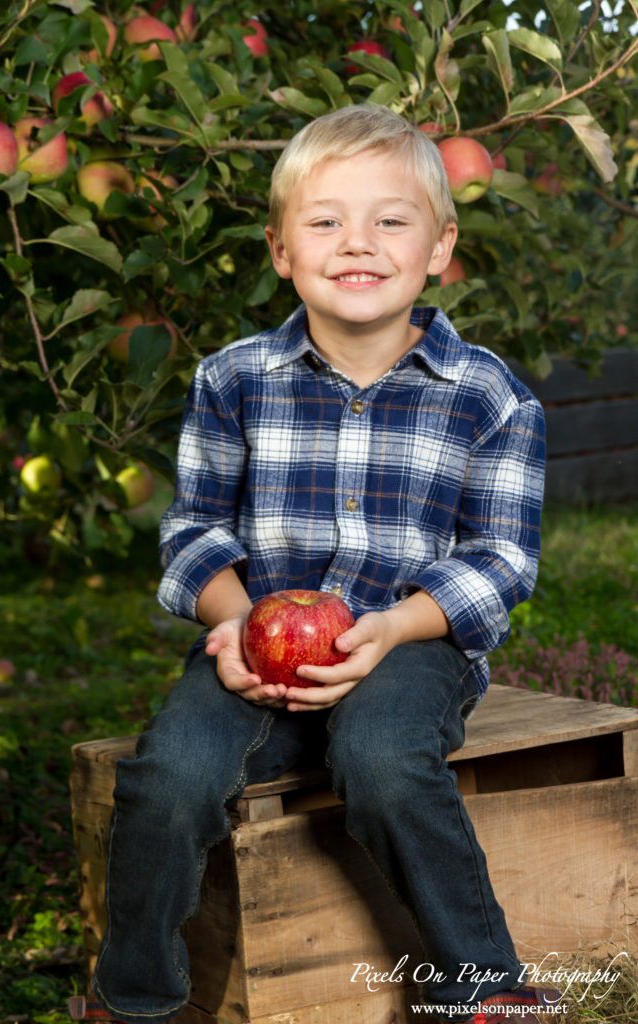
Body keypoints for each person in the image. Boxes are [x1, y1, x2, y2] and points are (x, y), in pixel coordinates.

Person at [82, 104, 554, 1024]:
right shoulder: (232, 379)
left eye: (391, 219)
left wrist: (395, 627)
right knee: (168, 775)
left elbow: (500, 558)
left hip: (408, 639)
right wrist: (229, 623)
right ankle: (129, 997)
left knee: (380, 757)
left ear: (439, 248)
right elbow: (195, 530)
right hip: (253, 642)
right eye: (325, 220)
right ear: (280, 250)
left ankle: (486, 988)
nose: (358, 243)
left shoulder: (489, 395)